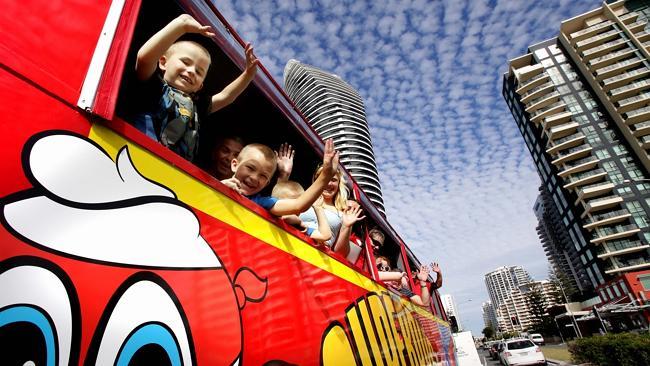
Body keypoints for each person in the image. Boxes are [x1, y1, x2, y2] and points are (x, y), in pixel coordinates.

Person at [133, 14, 258, 161]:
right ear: (163, 62)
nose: (191, 71)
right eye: (185, 62)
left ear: (200, 86)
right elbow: (144, 58)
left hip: (175, 171)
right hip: (140, 154)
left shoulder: (197, 106)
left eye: (199, 72)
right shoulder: (155, 86)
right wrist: (180, 25)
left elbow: (226, 97)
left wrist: (248, 75)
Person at [221, 139, 339, 216]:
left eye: (263, 176)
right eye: (250, 168)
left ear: (267, 183)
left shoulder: (261, 202)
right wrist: (218, 189)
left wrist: (326, 176)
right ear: (234, 165)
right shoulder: (214, 184)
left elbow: (298, 205)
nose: (254, 178)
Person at [299, 165, 364, 255]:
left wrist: (346, 226)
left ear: (338, 185)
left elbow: (341, 253)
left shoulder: (342, 214)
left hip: (317, 257)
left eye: (333, 180)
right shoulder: (303, 197)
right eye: (325, 178)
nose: (329, 183)